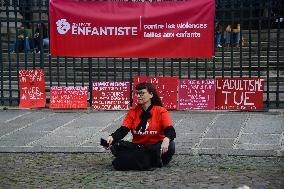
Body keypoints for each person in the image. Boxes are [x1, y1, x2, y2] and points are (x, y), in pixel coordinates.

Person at [105, 82, 176, 171]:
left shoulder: (161, 111)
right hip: (138, 147)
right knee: (115, 145)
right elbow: (123, 129)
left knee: (171, 145)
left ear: (151, 94)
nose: (138, 96)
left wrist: (167, 139)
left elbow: (170, 130)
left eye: (142, 93)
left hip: (155, 147)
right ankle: (148, 161)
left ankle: (140, 159)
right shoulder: (133, 111)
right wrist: (112, 137)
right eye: (137, 93)